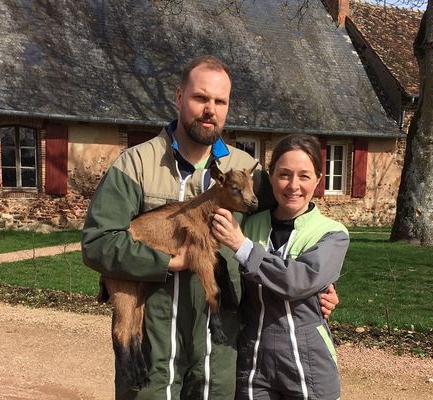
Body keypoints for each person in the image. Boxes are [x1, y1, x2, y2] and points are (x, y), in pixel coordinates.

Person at [81, 56, 339, 400]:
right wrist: (168, 262)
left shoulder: (246, 171)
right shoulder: (136, 164)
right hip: (154, 344)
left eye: (220, 102)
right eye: (200, 98)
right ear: (178, 97)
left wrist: (319, 283)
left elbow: (285, 223)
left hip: (219, 353)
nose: (210, 110)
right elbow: (98, 243)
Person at [212, 134, 349, 400]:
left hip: (310, 363)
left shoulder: (333, 234)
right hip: (252, 363)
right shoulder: (248, 225)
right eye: (284, 174)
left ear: (319, 180)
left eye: (305, 176)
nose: (293, 185)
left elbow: (296, 282)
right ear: (271, 176)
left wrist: (242, 246)